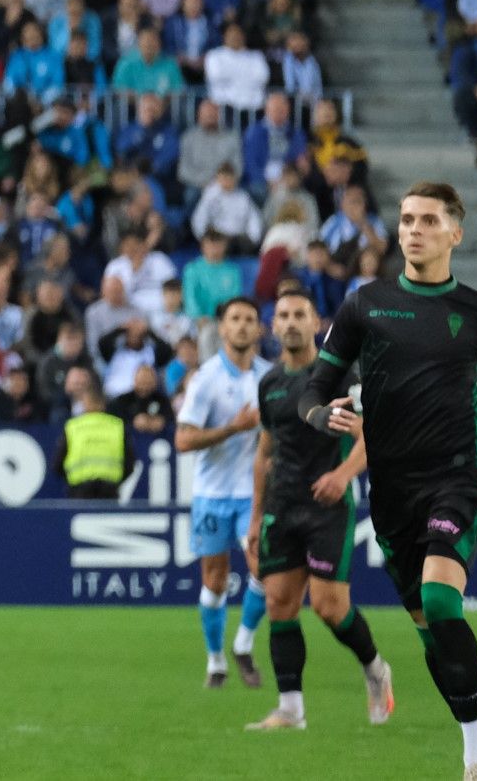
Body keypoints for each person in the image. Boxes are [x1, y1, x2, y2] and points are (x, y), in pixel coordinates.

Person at [301, 183, 477, 778]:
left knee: (439, 597)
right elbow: (315, 388)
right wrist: (325, 415)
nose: (412, 229)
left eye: (427, 220)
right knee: (430, 631)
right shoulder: (364, 305)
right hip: (392, 491)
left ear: (456, 233)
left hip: (459, 477)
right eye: (404, 219)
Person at [244, 283, 394, 732]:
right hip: (281, 505)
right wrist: (255, 513)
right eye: (283, 315)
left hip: (327, 506)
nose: (291, 322)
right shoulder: (269, 383)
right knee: (279, 603)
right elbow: (264, 453)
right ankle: (290, 709)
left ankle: (375, 667)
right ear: (273, 327)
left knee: (329, 607)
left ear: (317, 323)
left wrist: (342, 476)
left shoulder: (339, 380)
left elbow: (369, 438)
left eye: (299, 315)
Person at [175, 296, 273, 690]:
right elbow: (183, 440)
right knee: (214, 581)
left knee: (264, 569)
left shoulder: (270, 376)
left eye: (250, 318)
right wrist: (234, 427)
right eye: (235, 319)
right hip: (212, 493)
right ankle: (215, 660)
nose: (243, 325)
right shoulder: (206, 379)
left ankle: (243, 643)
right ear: (223, 328)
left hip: (254, 493)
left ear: (260, 329)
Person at [56, 382, 130, 500]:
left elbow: (58, 463)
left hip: (79, 491)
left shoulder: (73, 427)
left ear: (85, 403)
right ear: (103, 404)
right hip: (109, 491)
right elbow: (129, 463)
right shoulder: (117, 426)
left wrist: (72, 479)